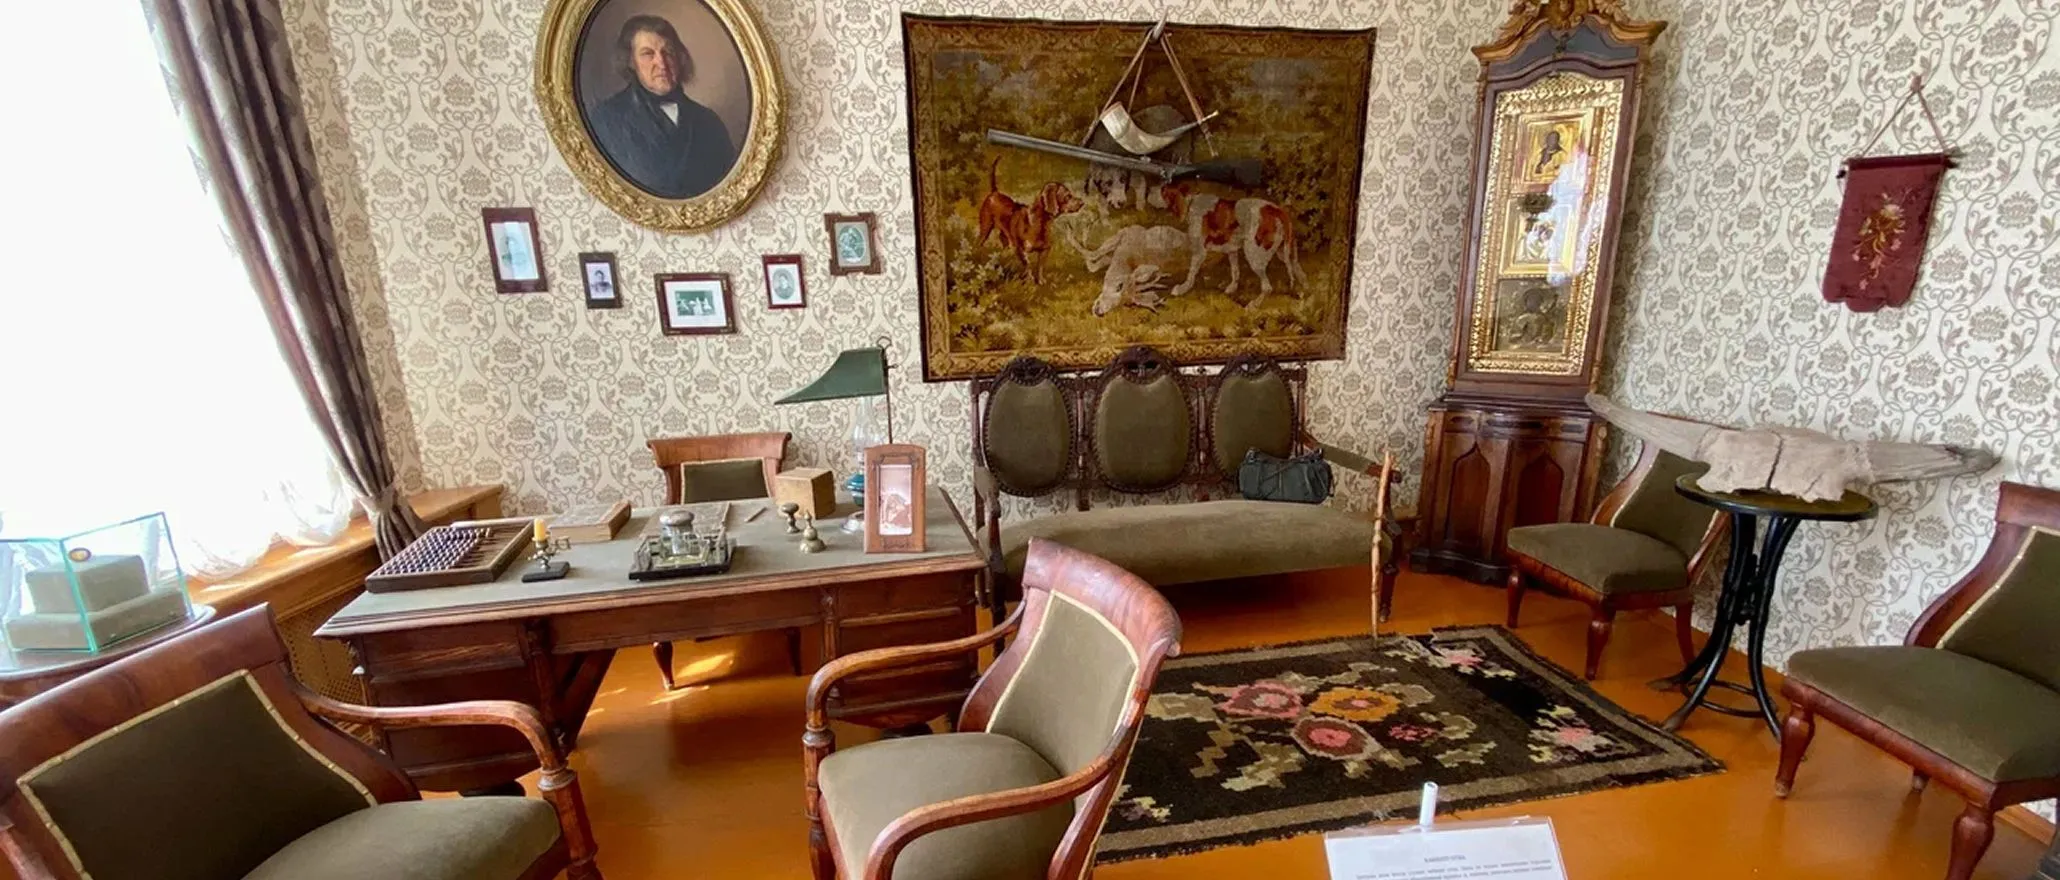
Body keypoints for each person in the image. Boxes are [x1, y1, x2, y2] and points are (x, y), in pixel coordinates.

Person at [586, 15, 737, 199]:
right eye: (648, 54)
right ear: (631, 62)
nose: (662, 63)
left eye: (668, 52)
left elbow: (729, 188)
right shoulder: (607, 119)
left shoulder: (709, 121)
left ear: (679, 58)